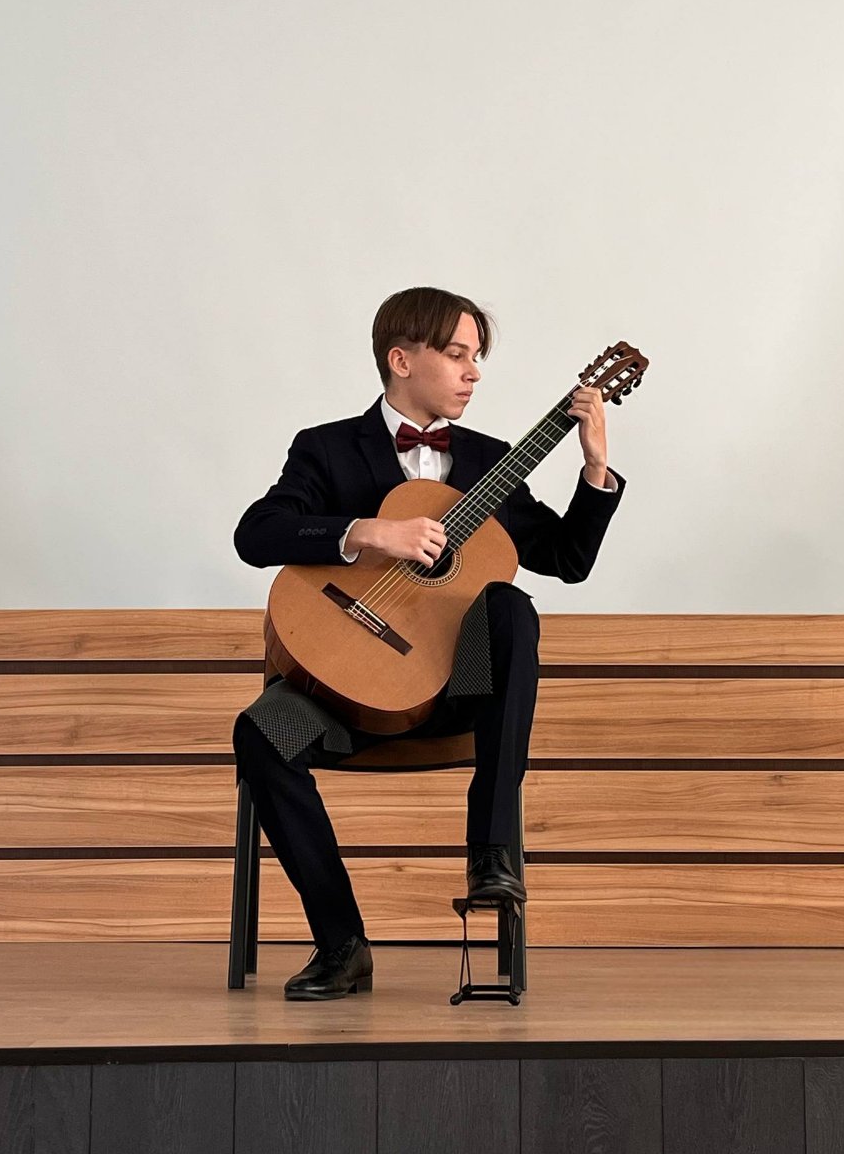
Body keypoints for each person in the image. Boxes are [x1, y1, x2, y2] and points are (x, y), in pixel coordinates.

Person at [232, 285, 626, 999]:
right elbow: (256, 534)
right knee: (259, 733)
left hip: (452, 695)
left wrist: (594, 469)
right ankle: (341, 944)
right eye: (456, 355)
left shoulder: (491, 463)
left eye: (477, 358)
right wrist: (369, 532)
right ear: (401, 359)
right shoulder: (326, 449)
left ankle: (491, 853)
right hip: (340, 700)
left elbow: (567, 560)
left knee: (512, 606)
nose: (473, 373)